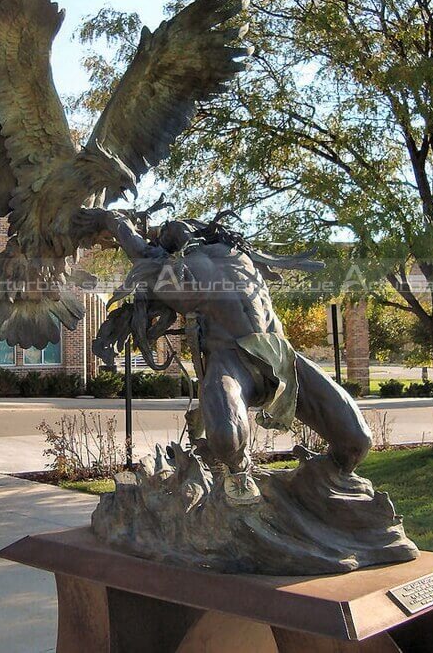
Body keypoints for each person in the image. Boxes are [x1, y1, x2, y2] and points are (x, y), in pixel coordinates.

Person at [89, 209, 372, 506]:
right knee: (227, 434)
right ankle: (238, 479)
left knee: (356, 441)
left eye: (181, 223)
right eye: (164, 230)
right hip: (230, 361)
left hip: (281, 356)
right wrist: (111, 219)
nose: (173, 225)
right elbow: (136, 245)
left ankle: (318, 489)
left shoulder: (237, 251)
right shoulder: (171, 270)